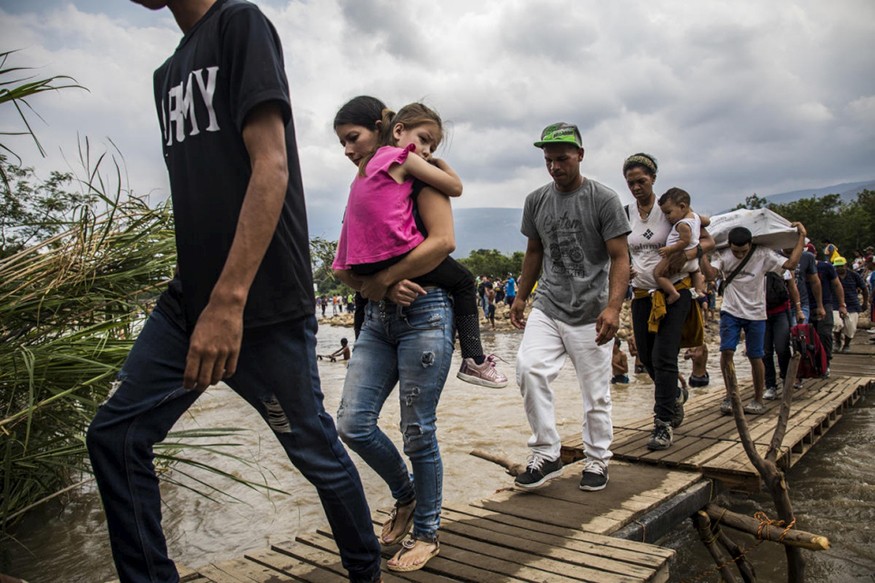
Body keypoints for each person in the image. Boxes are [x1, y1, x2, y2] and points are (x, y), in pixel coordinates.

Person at [85, 2, 382, 582]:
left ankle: (365, 570)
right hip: (188, 302)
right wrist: (205, 300)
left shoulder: (240, 24)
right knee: (115, 437)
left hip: (259, 302)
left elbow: (270, 168)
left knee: (314, 452)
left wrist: (228, 302)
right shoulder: (166, 75)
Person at [332, 98, 460, 573]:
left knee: (417, 430)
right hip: (379, 320)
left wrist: (386, 279)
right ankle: (405, 495)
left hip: (425, 314)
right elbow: (346, 264)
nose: (347, 150)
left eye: (354, 138)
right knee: (352, 423)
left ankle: (428, 530)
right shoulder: (363, 184)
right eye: (342, 141)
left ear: (383, 129)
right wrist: (378, 284)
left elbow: (444, 242)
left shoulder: (415, 171)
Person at [333, 100, 507, 389]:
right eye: (424, 141)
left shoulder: (361, 175)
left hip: (362, 263)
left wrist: (380, 283)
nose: (426, 151)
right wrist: (440, 164)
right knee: (464, 281)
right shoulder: (400, 156)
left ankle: (361, 346)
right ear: (398, 130)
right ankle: (474, 360)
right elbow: (455, 188)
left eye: (433, 148)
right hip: (397, 252)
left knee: (365, 298)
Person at [511, 122, 630, 492]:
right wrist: (520, 295)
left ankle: (596, 460)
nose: (555, 167)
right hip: (549, 304)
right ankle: (547, 453)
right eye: (549, 160)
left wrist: (614, 308)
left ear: (580, 155)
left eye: (562, 159)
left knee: (595, 393)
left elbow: (620, 257)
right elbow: (534, 251)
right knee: (529, 369)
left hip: (592, 312)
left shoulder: (603, 199)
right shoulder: (536, 200)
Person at [623, 153, 714, 451]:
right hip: (641, 294)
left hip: (675, 293)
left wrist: (687, 256)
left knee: (664, 357)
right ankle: (674, 392)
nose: (636, 187)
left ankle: (662, 423)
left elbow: (708, 239)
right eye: (631, 182)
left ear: (653, 179)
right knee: (647, 358)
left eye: (641, 181)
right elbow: (620, 250)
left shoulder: (672, 210)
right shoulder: (625, 214)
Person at [699, 224, 806, 416]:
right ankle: (731, 395)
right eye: (736, 251)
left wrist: (801, 238)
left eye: (743, 251)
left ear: (750, 245)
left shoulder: (763, 254)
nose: (740, 255)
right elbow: (710, 275)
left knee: (756, 355)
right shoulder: (722, 255)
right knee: (727, 351)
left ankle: (758, 398)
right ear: (729, 245)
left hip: (756, 313)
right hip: (730, 310)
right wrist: (701, 253)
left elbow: (790, 265)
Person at [654, 187, 704, 304]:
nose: (667, 217)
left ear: (682, 207)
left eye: (668, 213)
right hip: (693, 260)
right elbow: (706, 221)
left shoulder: (682, 225)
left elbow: (684, 242)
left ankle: (673, 293)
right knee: (696, 272)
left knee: (658, 274)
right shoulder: (696, 217)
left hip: (677, 257)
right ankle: (699, 290)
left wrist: (669, 249)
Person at [762, 268, 804, 400]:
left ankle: (786, 380)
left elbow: (792, 288)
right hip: (760, 315)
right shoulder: (754, 264)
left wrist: (798, 310)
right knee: (765, 351)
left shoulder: (782, 266)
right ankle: (770, 385)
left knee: (782, 348)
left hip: (781, 313)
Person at [833, 256, 868, 352]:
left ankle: (847, 344)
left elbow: (864, 289)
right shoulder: (832, 275)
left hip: (852, 303)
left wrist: (865, 302)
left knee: (850, 326)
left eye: (841, 266)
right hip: (835, 303)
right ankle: (837, 341)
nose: (839, 268)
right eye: (837, 266)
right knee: (836, 323)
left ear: (846, 265)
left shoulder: (854, 275)